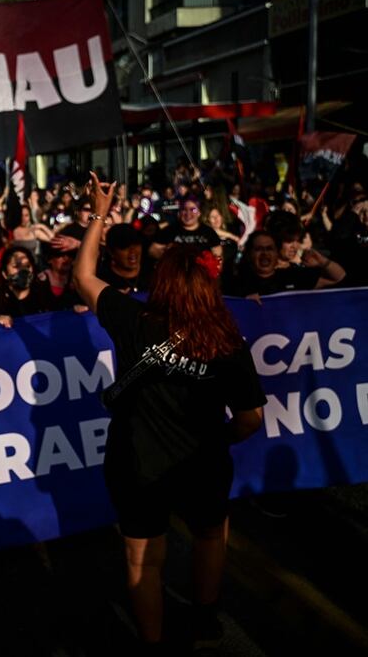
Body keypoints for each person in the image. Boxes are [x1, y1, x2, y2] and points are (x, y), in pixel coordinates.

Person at [73, 173, 266, 651]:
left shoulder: (132, 320)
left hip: (136, 462)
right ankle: (204, 620)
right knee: (209, 535)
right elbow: (250, 419)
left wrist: (99, 213)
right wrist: (218, 440)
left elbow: (82, 276)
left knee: (143, 559)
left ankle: (153, 643)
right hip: (203, 460)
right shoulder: (226, 341)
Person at [227, 231, 346, 297]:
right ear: (249, 254)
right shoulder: (237, 285)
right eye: (259, 249)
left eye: (269, 249)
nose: (265, 253)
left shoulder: (293, 276)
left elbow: (337, 277)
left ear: (276, 253)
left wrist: (322, 261)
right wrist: (244, 305)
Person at [149, 198, 221, 259]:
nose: (188, 213)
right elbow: (152, 250)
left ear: (199, 213)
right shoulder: (169, 230)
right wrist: (169, 256)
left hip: (201, 273)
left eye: (193, 209)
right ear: (179, 213)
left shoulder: (209, 232)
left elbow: (218, 257)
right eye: (184, 209)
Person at [0, 245, 42, 327]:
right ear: (5, 274)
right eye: (16, 266)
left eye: (27, 266)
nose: (23, 271)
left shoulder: (43, 297)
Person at [98, 223, 149, 294]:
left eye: (136, 244)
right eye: (124, 246)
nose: (132, 251)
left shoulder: (153, 273)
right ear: (111, 252)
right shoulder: (101, 282)